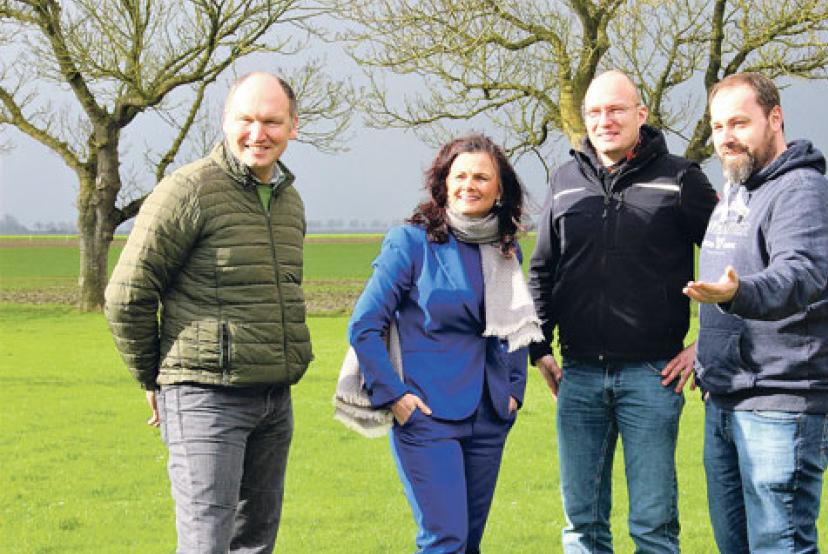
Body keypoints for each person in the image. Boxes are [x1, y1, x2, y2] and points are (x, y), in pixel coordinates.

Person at [104, 72, 312, 553]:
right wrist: (153, 378)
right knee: (206, 544)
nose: (257, 134)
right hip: (204, 398)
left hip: (274, 400)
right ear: (225, 121)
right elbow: (127, 294)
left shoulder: (290, 201)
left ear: (292, 127)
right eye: (245, 120)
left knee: (256, 543)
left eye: (271, 122)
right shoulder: (189, 190)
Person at [528, 70, 718, 553]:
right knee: (581, 527)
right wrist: (538, 348)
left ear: (641, 114)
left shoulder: (682, 179)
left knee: (653, 526)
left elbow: (733, 267)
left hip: (652, 377)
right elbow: (543, 269)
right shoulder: (564, 180)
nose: (604, 120)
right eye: (593, 112)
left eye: (615, 110)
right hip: (578, 377)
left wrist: (705, 345)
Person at [683, 72, 828, 553]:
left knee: (779, 546)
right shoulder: (738, 192)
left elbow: (797, 277)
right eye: (718, 127)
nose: (726, 138)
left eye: (739, 123)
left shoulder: (801, 192)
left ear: (774, 119)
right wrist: (706, 348)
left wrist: (736, 294)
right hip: (726, 398)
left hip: (784, 403)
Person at [348, 133, 540, 553]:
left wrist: (514, 392)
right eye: (461, 175)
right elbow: (364, 326)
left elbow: (515, 327)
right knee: (445, 540)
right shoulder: (411, 243)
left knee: (469, 543)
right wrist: (395, 397)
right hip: (427, 414)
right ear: (444, 182)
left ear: (499, 189)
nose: (469, 185)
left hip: (489, 413)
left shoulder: (506, 250)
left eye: (481, 177)